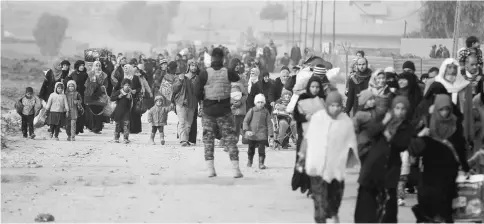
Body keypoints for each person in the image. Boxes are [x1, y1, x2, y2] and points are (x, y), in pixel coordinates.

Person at [409, 94, 470, 223]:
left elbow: (460, 147)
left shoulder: (456, 123)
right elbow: (413, 144)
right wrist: (421, 134)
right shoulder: (427, 121)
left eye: (447, 109)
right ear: (436, 108)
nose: (444, 113)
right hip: (430, 167)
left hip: (449, 168)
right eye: (441, 109)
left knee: (446, 201)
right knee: (428, 199)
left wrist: (465, 167)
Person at [354, 96, 415, 223]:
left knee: (388, 209)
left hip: (390, 168)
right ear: (392, 109)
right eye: (397, 108)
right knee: (367, 207)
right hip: (373, 166)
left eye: (403, 109)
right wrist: (384, 123)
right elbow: (371, 132)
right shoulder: (383, 118)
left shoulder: (407, 127)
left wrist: (389, 137)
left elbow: (402, 144)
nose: (400, 111)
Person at [302, 91, 359, 223]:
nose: (335, 108)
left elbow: (351, 143)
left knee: (335, 198)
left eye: (338, 105)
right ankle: (321, 219)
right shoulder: (318, 118)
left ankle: (334, 214)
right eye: (332, 105)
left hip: (336, 168)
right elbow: (308, 138)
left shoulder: (346, 121)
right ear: (327, 105)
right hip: (317, 167)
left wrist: (351, 160)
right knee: (319, 199)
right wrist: (301, 156)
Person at [194, 47, 243, 178]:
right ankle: (236, 169)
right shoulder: (227, 72)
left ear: (211, 58)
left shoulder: (204, 73)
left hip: (209, 111)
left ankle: (211, 169)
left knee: (208, 140)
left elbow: (196, 91)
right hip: (225, 110)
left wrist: (203, 98)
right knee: (230, 139)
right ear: (223, 58)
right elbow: (237, 76)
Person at [291, 77, 326, 196]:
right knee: (303, 160)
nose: (315, 89)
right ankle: (303, 183)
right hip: (304, 135)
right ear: (309, 87)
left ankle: (313, 187)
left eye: (317, 87)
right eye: (313, 87)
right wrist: (305, 117)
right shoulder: (303, 98)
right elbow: (295, 115)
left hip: (318, 136)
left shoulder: (323, 99)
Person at [243, 94, 273, 169]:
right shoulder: (252, 110)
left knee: (262, 149)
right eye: (258, 102)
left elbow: (269, 123)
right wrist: (246, 130)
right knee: (251, 149)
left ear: (264, 103)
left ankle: (261, 163)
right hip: (252, 134)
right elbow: (245, 121)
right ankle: (250, 160)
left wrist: (271, 135)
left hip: (262, 133)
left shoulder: (266, 112)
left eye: (262, 102)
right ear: (255, 103)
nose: (260, 104)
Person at [172, 60, 198, 147]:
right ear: (188, 67)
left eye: (195, 66)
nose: (193, 67)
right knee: (182, 122)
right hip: (181, 102)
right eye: (192, 65)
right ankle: (183, 140)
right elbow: (174, 90)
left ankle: (186, 139)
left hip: (192, 104)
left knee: (188, 124)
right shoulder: (179, 77)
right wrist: (180, 80)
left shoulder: (197, 78)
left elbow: (199, 92)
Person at [67, 60, 88, 134]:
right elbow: (68, 82)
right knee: (74, 110)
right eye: (81, 65)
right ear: (77, 66)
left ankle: (80, 128)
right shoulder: (73, 74)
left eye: (83, 65)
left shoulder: (85, 74)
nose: (82, 66)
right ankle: (74, 129)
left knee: (81, 111)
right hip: (73, 94)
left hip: (82, 94)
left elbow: (87, 85)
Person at [110, 79, 133, 144]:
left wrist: (130, 98)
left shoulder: (130, 93)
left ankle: (126, 138)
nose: (127, 86)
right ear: (123, 85)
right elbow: (112, 98)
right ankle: (116, 138)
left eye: (128, 85)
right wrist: (118, 97)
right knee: (118, 125)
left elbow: (131, 104)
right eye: (125, 85)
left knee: (126, 124)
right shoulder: (119, 92)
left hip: (126, 111)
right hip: (118, 111)